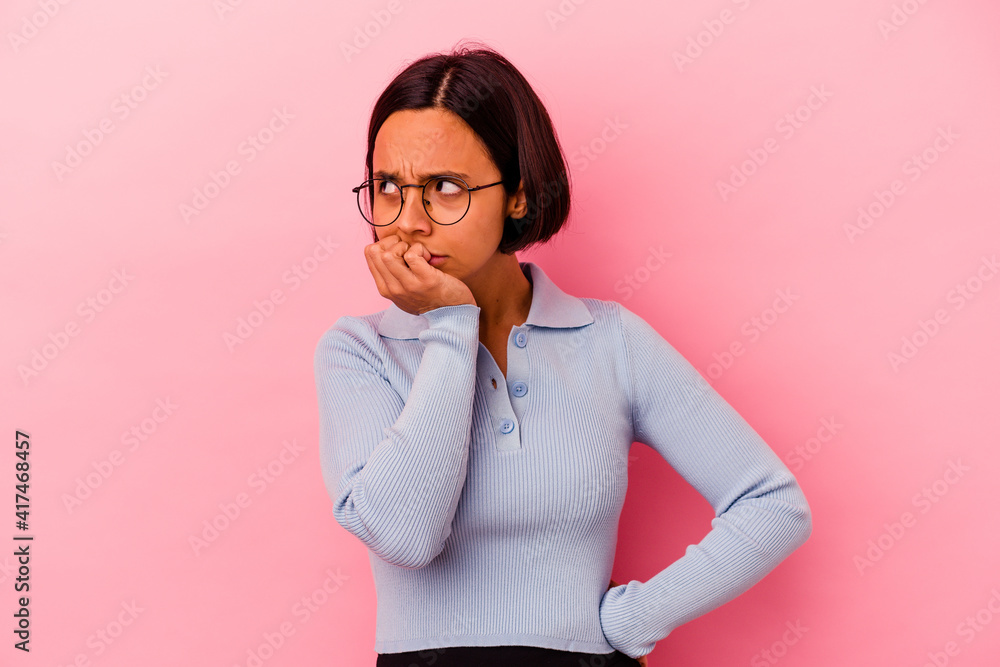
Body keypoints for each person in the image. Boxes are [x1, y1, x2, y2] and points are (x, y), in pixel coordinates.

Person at [314, 41, 812, 667]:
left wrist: (633, 619)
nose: (408, 221)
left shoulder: (611, 342)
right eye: (389, 187)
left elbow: (772, 503)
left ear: (517, 196)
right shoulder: (359, 352)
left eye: (444, 187)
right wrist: (449, 326)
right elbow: (405, 537)